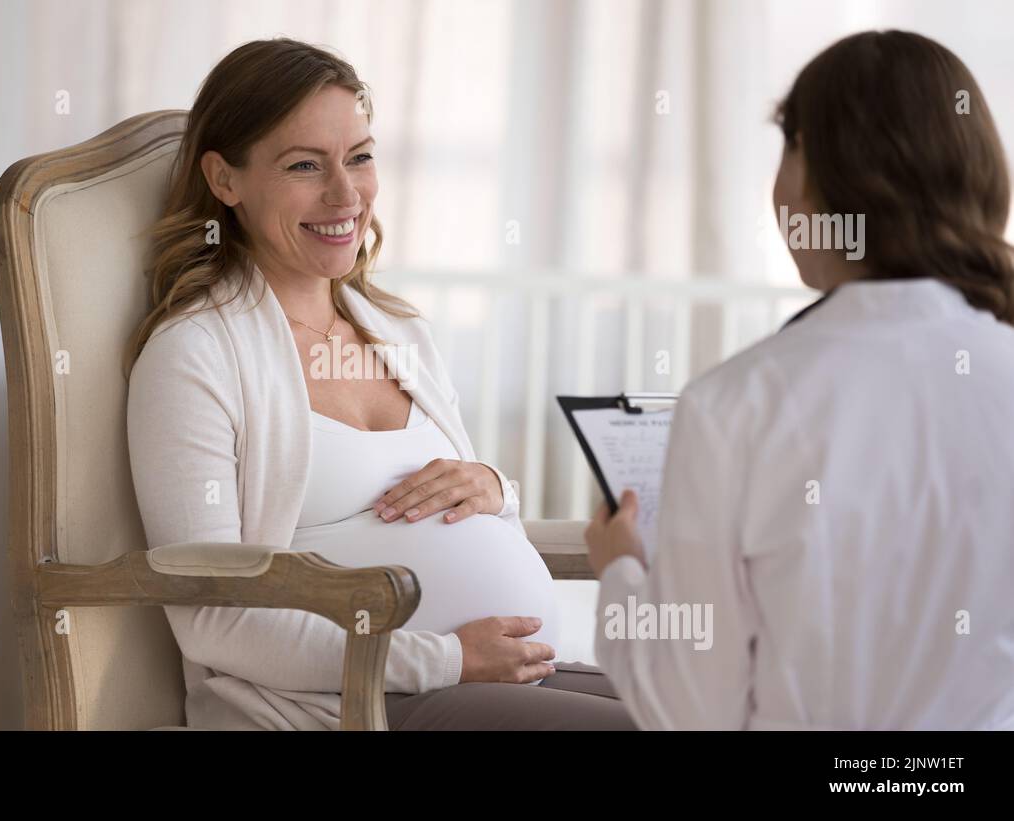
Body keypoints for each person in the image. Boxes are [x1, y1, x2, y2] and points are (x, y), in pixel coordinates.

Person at [125, 38, 633, 730]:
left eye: (360, 157)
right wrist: (445, 658)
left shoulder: (399, 331)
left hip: (507, 671)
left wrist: (494, 488)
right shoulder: (195, 356)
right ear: (225, 179)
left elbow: (473, 521)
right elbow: (214, 616)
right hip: (355, 703)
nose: (346, 194)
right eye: (305, 165)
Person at [584, 30, 1014, 730]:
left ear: (815, 171)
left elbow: (690, 711)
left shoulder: (735, 405)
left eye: (788, 147)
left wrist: (624, 575)